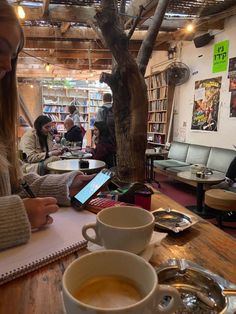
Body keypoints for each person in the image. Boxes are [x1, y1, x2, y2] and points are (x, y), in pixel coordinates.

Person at [0, 1, 94, 251]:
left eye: (12, 56)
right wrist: (16, 215)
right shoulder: (31, 135)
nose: (8, 66)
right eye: (0, 48)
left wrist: (66, 184)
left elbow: (17, 183)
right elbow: (30, 160)